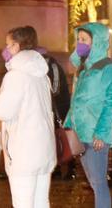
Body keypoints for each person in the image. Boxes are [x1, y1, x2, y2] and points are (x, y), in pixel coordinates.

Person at [0, 26, 57, 208]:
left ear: (17, 46)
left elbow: (3, 111)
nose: (6, 49)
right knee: (41, 202)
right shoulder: (42, 75)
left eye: (8, 45)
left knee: (23, 203)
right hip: (44, 148)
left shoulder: (16, 76)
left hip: (24, 150)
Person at [65, 23, 112, 208]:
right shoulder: (83, 68)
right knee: (93, 182)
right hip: (80, 133)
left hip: (96, 135)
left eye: (84, 40)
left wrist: (102, 133)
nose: (80, 43)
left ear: (96, 42)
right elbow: (76, 102)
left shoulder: (108, 68)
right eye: (78, 40)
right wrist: (68, 126)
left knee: (99, 183)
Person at [40, 46, 74, 181]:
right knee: (53, 140)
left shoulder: (53, 67)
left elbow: (55, 90)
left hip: (60, 108)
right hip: (50, 109)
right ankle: (57, 168)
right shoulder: (43, 68)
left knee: (64, 138)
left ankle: (71, 168)